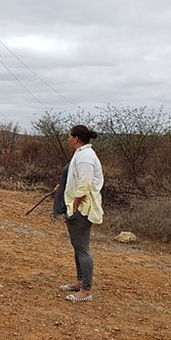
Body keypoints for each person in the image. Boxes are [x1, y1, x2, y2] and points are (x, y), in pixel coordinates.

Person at [57, 124, 104, 302]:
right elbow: (75, 177)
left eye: (69, 136)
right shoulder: (81, 153)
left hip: (82, 208)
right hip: (76, 206)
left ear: (76, 138)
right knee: (77, 247)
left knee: (82, 249)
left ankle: (86, 290)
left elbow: (84, 184)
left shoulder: (85, 156)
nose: (68, 139)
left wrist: (75, 204)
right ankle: (80, 282)